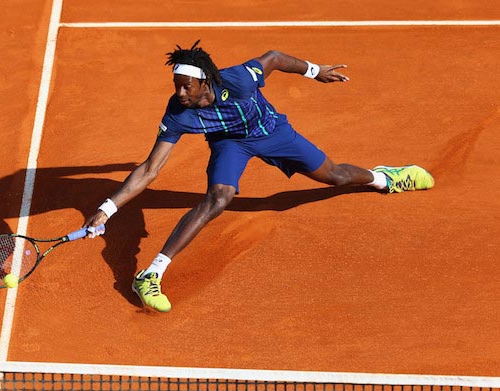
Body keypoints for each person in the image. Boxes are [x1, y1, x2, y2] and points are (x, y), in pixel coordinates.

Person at [84, 40, 434, 313]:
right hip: (230, 143)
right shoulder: (179, 113)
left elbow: (275, 58)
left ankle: (383, 179)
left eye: (185, 86)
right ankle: (152, 274)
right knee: (219, 197)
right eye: (176, 85)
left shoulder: (238, 80)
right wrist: (108, 208)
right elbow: (150, 169)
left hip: (272, 131)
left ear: (204, 81)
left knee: (337, 176)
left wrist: (315, 71)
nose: (179, 93)